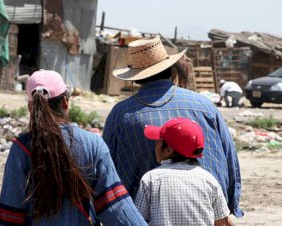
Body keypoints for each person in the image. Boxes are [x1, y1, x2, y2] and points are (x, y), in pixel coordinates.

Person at [103, 36, 243, 218]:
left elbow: (105, 169)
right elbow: (229, 160)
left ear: (136, 78)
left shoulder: (122, 114)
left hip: (141, 218)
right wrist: (230, 207)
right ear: (170, 69)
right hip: (208, 213)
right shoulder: (205, 106)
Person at [0, 70, 147, 226]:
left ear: (30, 107)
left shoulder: (21, 149)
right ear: (65, 103)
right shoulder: (93, 144)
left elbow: (10, 213)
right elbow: (116, 206)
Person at [135, 117, 233, 226]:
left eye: (158, 142)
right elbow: (220, 222)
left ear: (168, 149)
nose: (155, 146)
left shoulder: (150, 179)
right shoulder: (208, 179)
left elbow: (138, 220)